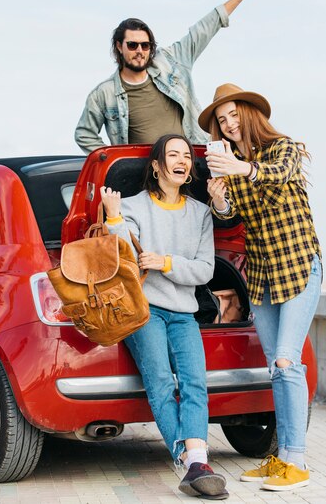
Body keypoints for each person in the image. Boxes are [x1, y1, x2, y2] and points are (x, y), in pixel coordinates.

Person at [199, 83, 322, 492]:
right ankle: (284, 456)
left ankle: (297, 462)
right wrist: (218, 199)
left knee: (288, 362)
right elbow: (231, 216)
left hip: (300, 267)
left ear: (250, 115)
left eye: (234, 115)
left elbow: (277, 175)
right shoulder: (231, 166)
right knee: (275, 367)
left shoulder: (282, 148)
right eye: (222, 120)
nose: (229, 125)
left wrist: (241, 169)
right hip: (264, 277)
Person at [100, 134, 228, 500]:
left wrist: (166, 262)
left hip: (184, 312)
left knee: (194, 383)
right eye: (172, 155)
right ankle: (190, 460)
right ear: (156, 165)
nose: (182, 160)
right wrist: (113, 217)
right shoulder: (134, 206)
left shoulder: (201, 213)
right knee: (159, 382)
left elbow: (204, 270)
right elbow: (122, 256)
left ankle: (197, 461)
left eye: (186, 156)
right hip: (144, 311)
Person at [75, 0, 262, 153]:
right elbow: (84, 133)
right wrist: (114, 160)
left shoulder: (169, 61)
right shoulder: (104, 94)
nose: (140, 51)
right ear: (119, 46)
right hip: (145, 175)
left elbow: (202, 30)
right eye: (132, 45)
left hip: (192, 161)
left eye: (145, 45)